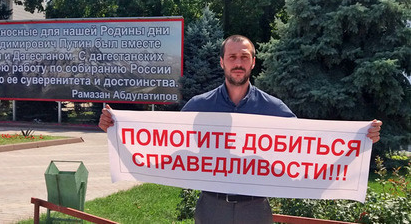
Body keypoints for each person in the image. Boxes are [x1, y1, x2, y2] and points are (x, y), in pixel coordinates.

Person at [98, 35, 382, 224]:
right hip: (211, 207)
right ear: (222, 61)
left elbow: (309, 150)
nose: (238, 62)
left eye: (244, 57)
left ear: (253, 62)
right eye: (232, 57)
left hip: (255, 209)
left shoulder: (274, 109)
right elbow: (164, 149)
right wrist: (116, 129)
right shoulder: (199, 106)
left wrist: (360, 139)